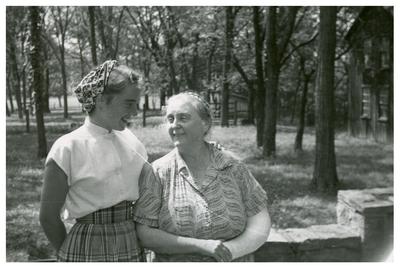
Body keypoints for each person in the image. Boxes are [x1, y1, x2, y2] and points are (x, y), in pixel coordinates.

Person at [133, 92, 271, 262]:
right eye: (170, 119)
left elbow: (260, 221)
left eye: (183, 118)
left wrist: (228, 251)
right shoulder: (157, 172)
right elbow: (145, 234)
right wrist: (202, 246)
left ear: (205, 124)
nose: (174, 125)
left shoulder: (233, 166)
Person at [39, 60, 148, 262]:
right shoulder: (68, 147)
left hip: (130, 241)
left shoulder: (133, 143)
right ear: (101, 101)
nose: (135, 112)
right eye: (129, 103)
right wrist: (70, 254)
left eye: (137, 104)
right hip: (87, 246)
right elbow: (48, 217)